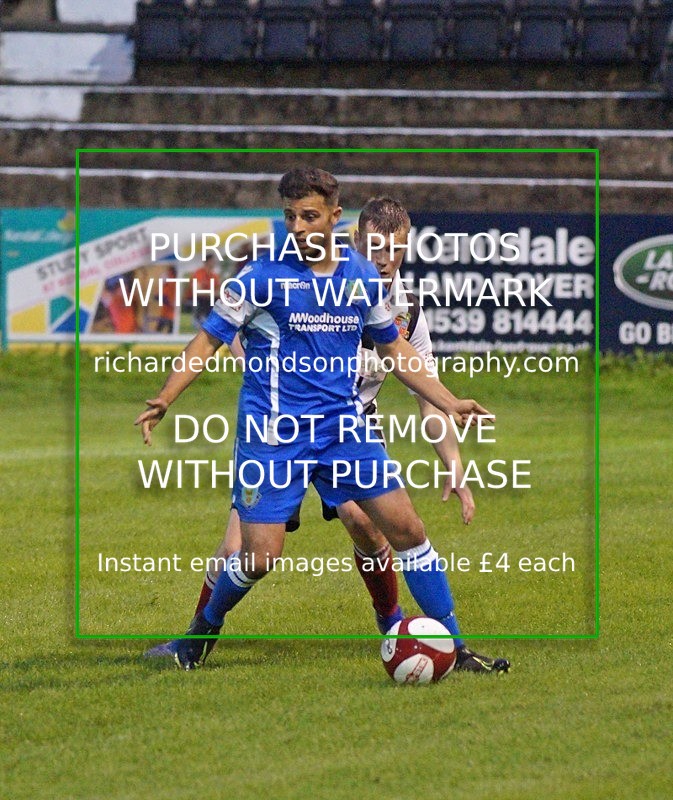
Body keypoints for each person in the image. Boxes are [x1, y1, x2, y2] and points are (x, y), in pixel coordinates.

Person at [136, 168, 510, 674]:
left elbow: (395, 348)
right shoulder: (261, 277)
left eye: (309, 215)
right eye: (290, 216)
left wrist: (449, 400)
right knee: (257, 556)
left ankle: (457, 648)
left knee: (406, 528)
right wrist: (165, 398)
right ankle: (198, 635)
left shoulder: (359, 279)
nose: (298, 226)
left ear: (334, 217)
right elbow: (209, 339)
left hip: (342, 429)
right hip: (273, 434)